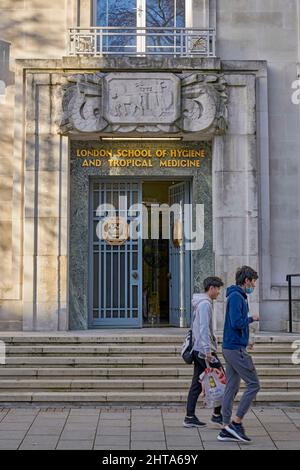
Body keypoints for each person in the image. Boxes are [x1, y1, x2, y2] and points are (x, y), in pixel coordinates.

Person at [217, 266, 260, 443]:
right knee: (253, 384)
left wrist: (246, 340)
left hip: (232, 346)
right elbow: (236, 322)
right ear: (246, 280)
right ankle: (236, 422)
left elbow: (233, 325)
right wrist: (252, 318)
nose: (254, 285)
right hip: (234, 349)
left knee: (232, 387)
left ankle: (225, 426)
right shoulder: (237, 297)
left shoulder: (237, 296)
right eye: (253, 281)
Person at [183, 276, 224, 428]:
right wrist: (208, 351)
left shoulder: (200, 303)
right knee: (222, 378)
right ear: (211, 288)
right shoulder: (205, 304)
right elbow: (203, 329)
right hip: (203, 351)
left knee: (196, 384)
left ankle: (190, 416)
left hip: (198, 349)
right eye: (218, 288)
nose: (219, 292)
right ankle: (217, 414)